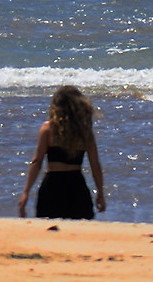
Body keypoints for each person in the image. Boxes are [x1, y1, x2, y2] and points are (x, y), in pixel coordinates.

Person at [17, 84, 107, 220]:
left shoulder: (47, 130)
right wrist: (100, 194)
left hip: (52, 187)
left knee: (50, 233)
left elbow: (37, 161)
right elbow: (95, 166)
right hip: (76, 186)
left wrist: (26, 192)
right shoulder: (84, 132)